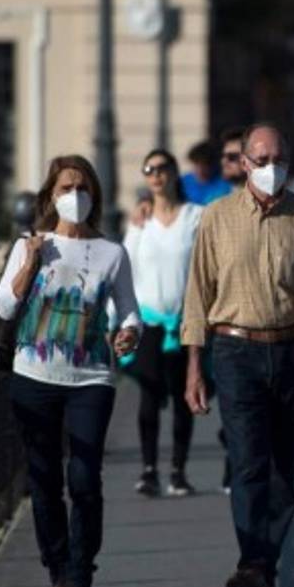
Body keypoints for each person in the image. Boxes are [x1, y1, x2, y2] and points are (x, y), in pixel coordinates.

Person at [181, 123, 294, 587]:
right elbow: (198, 291)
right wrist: (194, 363)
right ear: (244, 163)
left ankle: (262, 567)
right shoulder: (217, 217)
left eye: (281, 158)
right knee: (249, 462)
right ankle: (253, 563)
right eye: (263, 159)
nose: (273, 168)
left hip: (292, 349)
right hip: (234, 351)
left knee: (281, 471)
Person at [0, 154, 140, 587]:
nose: (74, 196)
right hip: (33, 377)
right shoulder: (31, 245)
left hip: (91, 378)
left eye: (82, 188)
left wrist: (130, 331)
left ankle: (79, 574)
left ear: (94, 195)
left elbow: (130, 309)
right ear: (50, 196)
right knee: (44, 481)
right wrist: (30, 262)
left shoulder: (113, 253)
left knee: (84, 478)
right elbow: (2, 308)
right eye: (64, 188)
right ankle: (58, 571)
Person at [123, 149, 204, 497]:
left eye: (162, 168)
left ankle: (178, 470)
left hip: (185, 322)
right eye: (149, 169)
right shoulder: (139, 224)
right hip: (149, 323)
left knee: (183, 394)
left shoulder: (195, 217)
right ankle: (149, 468)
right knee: (149, 394)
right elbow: (125, 270)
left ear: (174, 173)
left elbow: (205, 267)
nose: (156, 175)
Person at [182, 139, 233, 206]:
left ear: (213, 164)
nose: (200, 170)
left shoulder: (226, 183)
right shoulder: (182, 183)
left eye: (204, 165)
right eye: (196, 164)